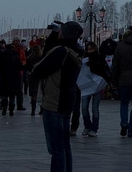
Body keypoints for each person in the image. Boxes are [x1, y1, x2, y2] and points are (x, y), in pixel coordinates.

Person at [32, 21, 84, 172]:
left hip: (54, 101)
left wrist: (53, 37)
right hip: (67, 102)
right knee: (65, 146)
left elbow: (39, 69)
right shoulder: (76, 51)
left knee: (56, 148)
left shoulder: (61, 52)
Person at [78, 42, 110, 137]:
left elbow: (104, 71)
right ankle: (87, 126)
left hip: (98, 86)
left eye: (91, 49)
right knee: (84, 108)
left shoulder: (100, 58)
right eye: (88, 49)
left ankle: (94, 128)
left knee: (95, 108)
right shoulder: (84, 60)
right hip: (86, 86)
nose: (89, 51)